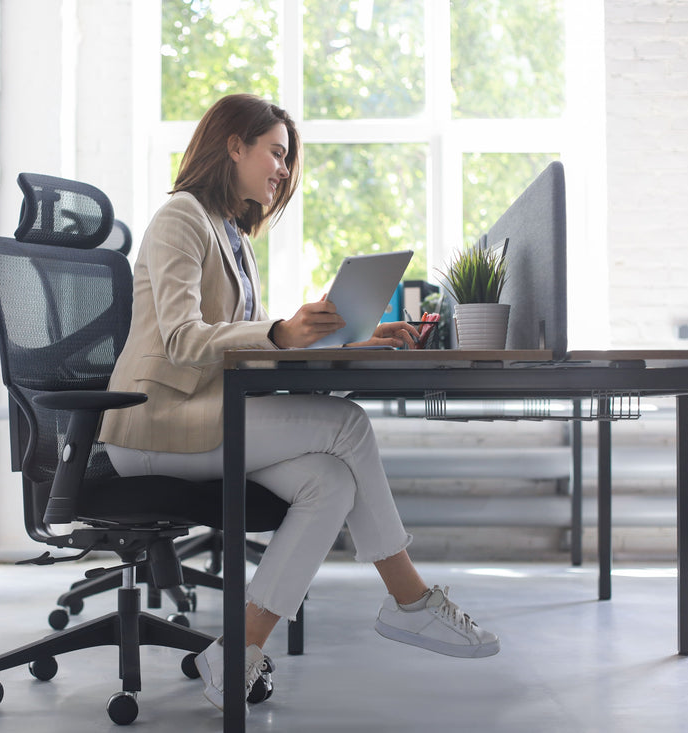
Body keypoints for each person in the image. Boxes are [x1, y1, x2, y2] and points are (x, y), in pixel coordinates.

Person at [98, 93, 499, 712]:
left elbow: (250, 351)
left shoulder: (233, 236)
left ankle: (238, 653)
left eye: (287, 159)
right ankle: (410, 601)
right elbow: (181, 341)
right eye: (276, 153)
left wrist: (356, 344)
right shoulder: (181, 216)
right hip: (155, 427)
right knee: (348, 425)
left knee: (330, 482)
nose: (283, 170)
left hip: (208, 418)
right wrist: (281, 331)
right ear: (235, 145)